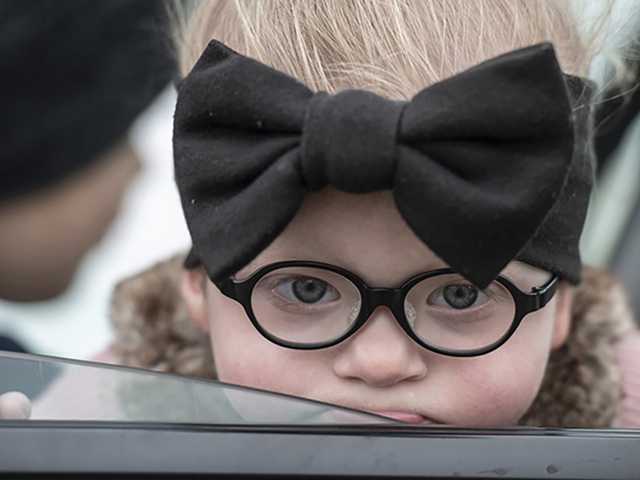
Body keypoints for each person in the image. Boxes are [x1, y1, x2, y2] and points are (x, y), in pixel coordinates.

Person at [5, 0, 640, 427]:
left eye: (459, 293)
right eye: (305, 289)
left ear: (560, 307)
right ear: (198, 290)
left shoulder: (625, 434)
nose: (381, 363)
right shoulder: (101, 421)